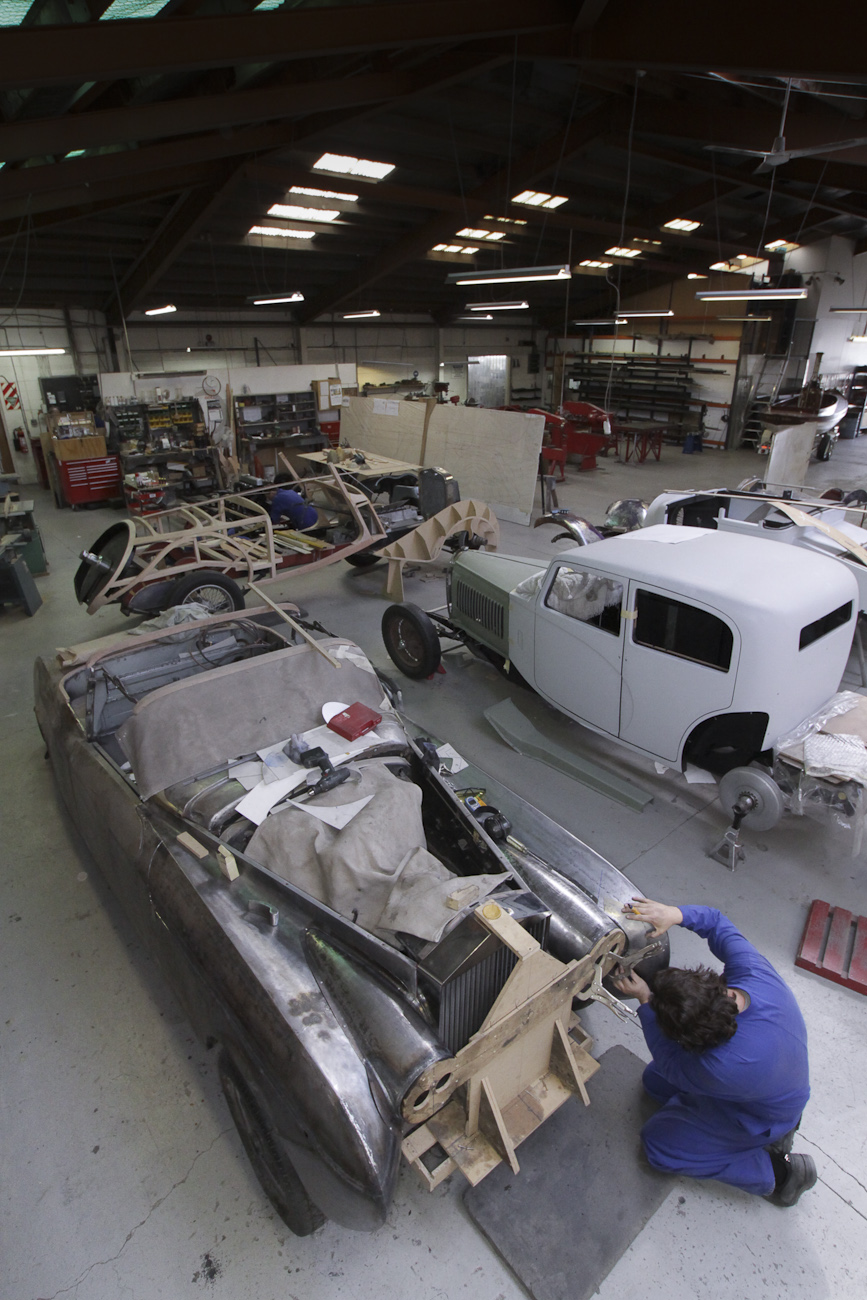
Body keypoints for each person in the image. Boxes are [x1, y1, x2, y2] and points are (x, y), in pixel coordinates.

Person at [612, 898, 816, 1208]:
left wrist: (644, 999)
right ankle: (716, 1124)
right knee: (653, 1084)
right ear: (716, 984)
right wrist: (675, 915)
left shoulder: (722, 1066)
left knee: (659, 1146)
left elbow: (670, 1063)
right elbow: (717, 922)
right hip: (771, 1081)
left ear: (699, 1044)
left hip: (761, 1115)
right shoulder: (751, 973)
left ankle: (777, 1172)